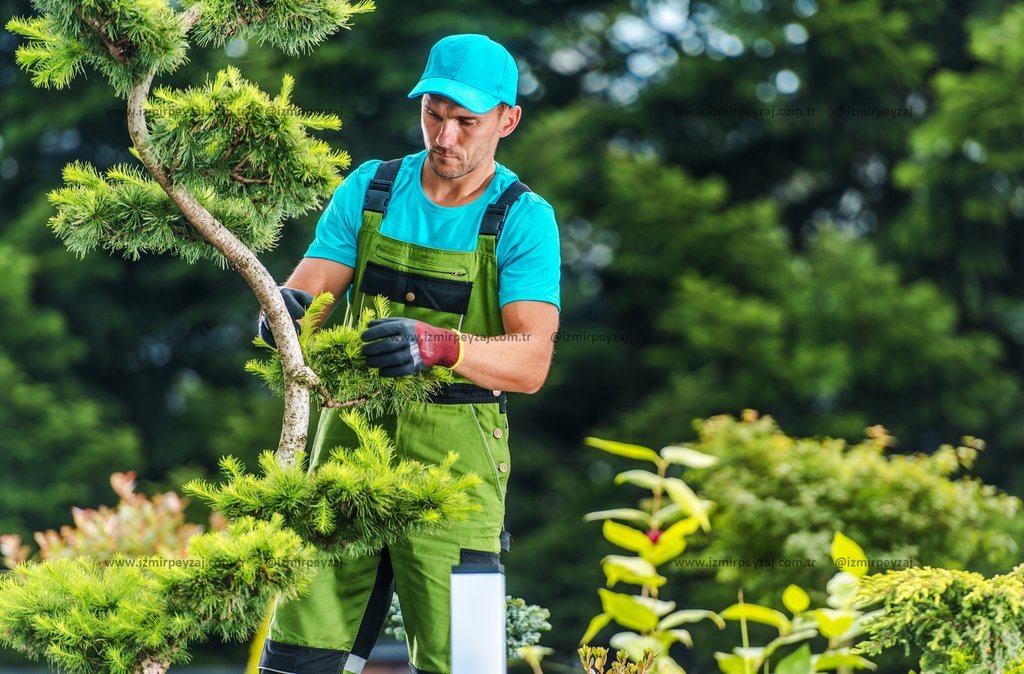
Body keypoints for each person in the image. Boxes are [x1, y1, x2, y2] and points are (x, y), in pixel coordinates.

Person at [256, 34, 561, 674]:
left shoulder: (523, 219)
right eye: (433, 115)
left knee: (468, 663)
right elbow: (305, 299)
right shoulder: (371, 188)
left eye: (465, 122)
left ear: (508, 120)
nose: (445, 137)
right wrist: (279, 313)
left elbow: (530, 361)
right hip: (343, 461)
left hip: (459, 480)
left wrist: (440, 345)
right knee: (297, 660)